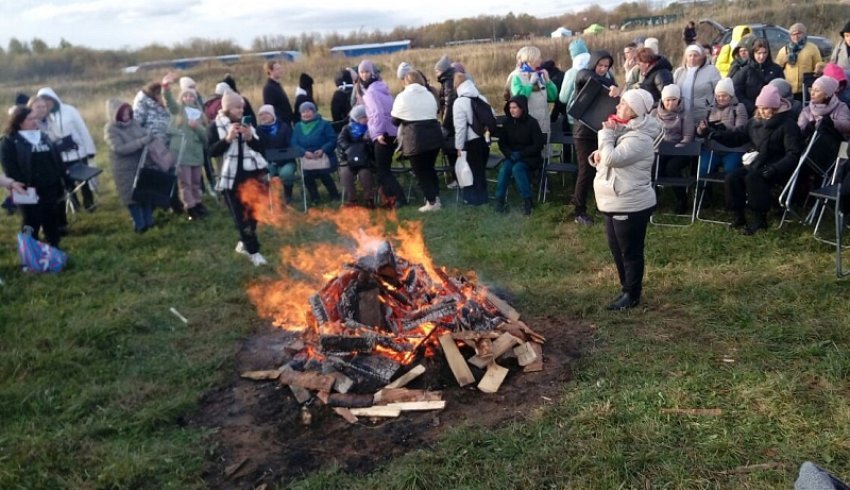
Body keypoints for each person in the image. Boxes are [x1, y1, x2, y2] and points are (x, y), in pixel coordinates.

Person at [589, 89, 660, 310]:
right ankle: (625, 288)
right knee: (617, 249)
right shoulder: (625, 130)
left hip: (630, 202)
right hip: (613, 199)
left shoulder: (640, 138)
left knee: (629, 251)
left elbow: (612, 157)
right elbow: (606, 159)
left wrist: (606, 136)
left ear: (633, 110)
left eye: (622, 104)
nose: (617, 107)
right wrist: (597, 156)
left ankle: (632, 294)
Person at [707, 84, 803, 234]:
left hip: (778, 166)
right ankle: (739, 216)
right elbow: (738, 136)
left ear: (775, 107)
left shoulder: (788, 125)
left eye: (766, 108)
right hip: (758, 162)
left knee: (753, 178)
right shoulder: (754, 122)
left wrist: (775, 169)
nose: (762, 111)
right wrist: (716, 134)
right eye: (760, 108)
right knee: (732, 177)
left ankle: (760, 220)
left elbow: (793, 154)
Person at [208, 91, 269, 266]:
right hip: (231, 180)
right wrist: (227, 139)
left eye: (242, 106)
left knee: (254, 214)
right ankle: (254, 252)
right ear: (227, 108)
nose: (241, 110)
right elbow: (211, 152)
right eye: (237, 107)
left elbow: (260, 148)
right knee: (241, 218)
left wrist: (250, 138)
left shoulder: (246, 124)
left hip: (253, 176)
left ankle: (244, 243)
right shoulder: (215, 126)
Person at [1, 106, 66, 247]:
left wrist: (61, 176)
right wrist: (20, 184)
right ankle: (29, 252)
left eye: (35, 118)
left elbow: (55, 158)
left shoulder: (43, 136)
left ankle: (54, 248)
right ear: (19, 122)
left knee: (51, 217)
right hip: (27, 188)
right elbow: (10, 166)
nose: (34, 122)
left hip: (49, 185)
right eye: (30, 119)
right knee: (31, 220)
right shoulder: (10, 141)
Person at [571, 50, 617, 225]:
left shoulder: (609, 79)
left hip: (600, 131)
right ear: (594, 63)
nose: (603, 69)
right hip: (583, 132)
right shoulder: (583, 75)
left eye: (606, 66)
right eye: (600, 65)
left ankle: (602, 205)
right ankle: (579, 211)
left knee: (603, 168)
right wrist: (609, 83)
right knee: (586, 170)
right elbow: (587, 77)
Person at [36, 87, 97, 212]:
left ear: (53, 99)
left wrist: (89, 149)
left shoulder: (70, 110)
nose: (47, 104)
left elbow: (82, 129)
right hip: (60, 157)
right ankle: (74, 204)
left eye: (48, 100)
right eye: (44, 101)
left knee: (84, 180)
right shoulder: (45, 118)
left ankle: (89, 202)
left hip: (78, 152)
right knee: (67, 182)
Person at [391, 71, 444, 212]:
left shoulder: (402, 97)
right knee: (430, 169)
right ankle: (435, 198)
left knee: (420, 172)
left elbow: (395, 120)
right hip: (434, 135)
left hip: (415, 137)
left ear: (406, 82)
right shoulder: (428, 94)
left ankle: (432, 202)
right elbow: (435, 111)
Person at [103, 99, 156, 233]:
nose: (126, 117)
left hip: (142, 165)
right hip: (125, 170)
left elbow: (144, 134)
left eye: (128, 114)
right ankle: (140, 226)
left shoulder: (135, 123)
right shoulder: (110, 129)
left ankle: (150, 224)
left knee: (145, 195)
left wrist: (150, 137)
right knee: (133, 199)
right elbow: (119, 148)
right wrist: (141, 142)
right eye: (123, 115)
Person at [360, 59, 405, 208]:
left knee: (382, 170)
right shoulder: (383, 88)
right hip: (392, 131)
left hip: (383, 134)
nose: (364, 75)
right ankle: (388, 199)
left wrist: (378, 133)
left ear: (372, 74)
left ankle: (399, 198)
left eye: (366, 71)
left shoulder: (371, 93)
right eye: (361, 72)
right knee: (384, 168)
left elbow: (377, 113)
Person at [494, 95, 544, 215]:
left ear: (522, 108)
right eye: (510, 107)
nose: (512, 110)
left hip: (530, 157)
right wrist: (509, 154)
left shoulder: (532, 123)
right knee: (505, 168)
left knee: (518, 169)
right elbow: (502, 143)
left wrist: (522, 153)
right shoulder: (507, 123)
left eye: (515, 107)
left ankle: (528, 201)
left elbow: (538, 145)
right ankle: (499, 200)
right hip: (512, 155)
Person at [164, 84, 208, 220]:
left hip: (195, 153)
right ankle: (190, 207)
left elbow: (205, 136)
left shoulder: (200, 114)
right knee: (185, 182)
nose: (188, 98)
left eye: (191, 96)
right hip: (181, 152)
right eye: (185, 95)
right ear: (182, 98)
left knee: (196, 181)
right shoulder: (178, 110)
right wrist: (165, 88)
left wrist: (197, 127)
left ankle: (198, 203)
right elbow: (169, 102)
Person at [797, 75, 850, 178]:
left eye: (817, 91)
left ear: (827, 94)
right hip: (809, 151)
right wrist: (809, 127)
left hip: (833, 149)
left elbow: (847, 126)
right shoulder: (807, 110)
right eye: (811, 89)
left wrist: (831, 122)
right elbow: (798, 130)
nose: (812, 93)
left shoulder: (841, 107)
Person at [653, 84, 695, 213]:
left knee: (672, 169)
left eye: (673, 99)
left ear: (679, 100)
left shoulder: (685, 114)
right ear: (662, 100)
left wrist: (677, 147)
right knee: (652, 167)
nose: (670, 103)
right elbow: (648, 132)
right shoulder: (654, 113)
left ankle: (682, 200)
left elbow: (688, 136)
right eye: (667, 100)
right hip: (659, 149)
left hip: (680, 150)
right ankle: (651, 200)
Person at [696, 78, 749, 179]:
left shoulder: (738, 107)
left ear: (730, 95)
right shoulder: (710, 109)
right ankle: (704, 192)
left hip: (733, 149)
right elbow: (700, 133)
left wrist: (724, 126)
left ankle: (729, 192)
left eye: (724, 95)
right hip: (712, 148)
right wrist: (701, 129)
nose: (721, 98)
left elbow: (741, 130)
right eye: (718, 96)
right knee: (702, 169)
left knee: (730, 170)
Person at [291, 101, 341, 206]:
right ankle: (315, 198)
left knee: (323, 172)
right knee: (307, 175)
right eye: (303, 112)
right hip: (307, 158)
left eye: (308, 111)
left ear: (314, 112)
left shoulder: (324, 124)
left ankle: (334, 195)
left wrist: (323, 149)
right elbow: (294, 143)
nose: (305, 114)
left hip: (325, 156)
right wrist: (304, 152)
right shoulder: (298, 127)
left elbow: (332, 140)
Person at [453, 73, 491, 206]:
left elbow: (460, 128)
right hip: (484, 140)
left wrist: (459, 147)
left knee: (470, 171)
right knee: (480, 170)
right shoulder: (481, 98)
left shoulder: (459, 102)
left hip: (470, 142)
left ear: (457, 86)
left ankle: (474, 199)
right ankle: (483, 197)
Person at [509, 46, 557, 136]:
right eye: (538, 57)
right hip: (527, 124)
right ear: (530, 59)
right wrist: (530, 84)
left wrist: (548, 81)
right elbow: (520, 98)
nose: (541, 60)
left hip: (544, 122)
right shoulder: (517, 76)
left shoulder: (540, 75)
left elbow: (552, 97)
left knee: (544, 148)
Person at [256, 104, 296, 205]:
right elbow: (258, 149)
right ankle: (267, 199)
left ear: (273, 115)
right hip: (268, 162)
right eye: (261, 115)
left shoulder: (284, 127)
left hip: (286, 160)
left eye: (266, 114)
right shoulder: (258, 130)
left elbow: (291, 146)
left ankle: (288, 196)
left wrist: (281, 157)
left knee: (286, 174)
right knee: (263, 176)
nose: (263, 117)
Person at [337, 105, 375, 208]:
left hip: (365, 159)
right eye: (363, 117)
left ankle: (369, 199)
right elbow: (341, 141)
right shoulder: (347, 129)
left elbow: (374, 144)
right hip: (349, 158)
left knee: (365, 173)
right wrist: (351, 149)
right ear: (356, 118)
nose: (366, 119)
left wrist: (367, 142)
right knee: (346, 173)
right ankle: (352, 200)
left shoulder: (371, 129)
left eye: (367, 117)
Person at [674, 43, 721, 126]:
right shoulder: (679, 72)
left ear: (701, 57)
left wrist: (711, 107)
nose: (692, 58)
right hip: (682, 115)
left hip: (703, 115)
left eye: (696, 55)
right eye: (690, 55)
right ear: (686, 57)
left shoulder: (711, 70)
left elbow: (719, 90)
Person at [775, 23, 823, 101]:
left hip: (807, 88)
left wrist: (819, 67)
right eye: (793, 34)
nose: (796, 37)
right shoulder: (784, 50)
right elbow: (776, 67)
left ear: (804, 34)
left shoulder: (812, 48)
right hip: (789, 89)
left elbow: (819, 62)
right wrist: (784, 60)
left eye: (798, 33)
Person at [558, 38, 591, 132]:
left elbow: (563, 98)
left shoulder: (571, 73)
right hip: (596, 116)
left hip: (576, 116)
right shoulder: (597, 67)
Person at [262, 61, 294, 126]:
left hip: (286, 122)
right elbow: (270, 108)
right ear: (270, 71)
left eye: (280, 68)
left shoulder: (277, 85)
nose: (281, 71)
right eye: (277, 69)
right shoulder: (268, 88)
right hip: (280, 124)